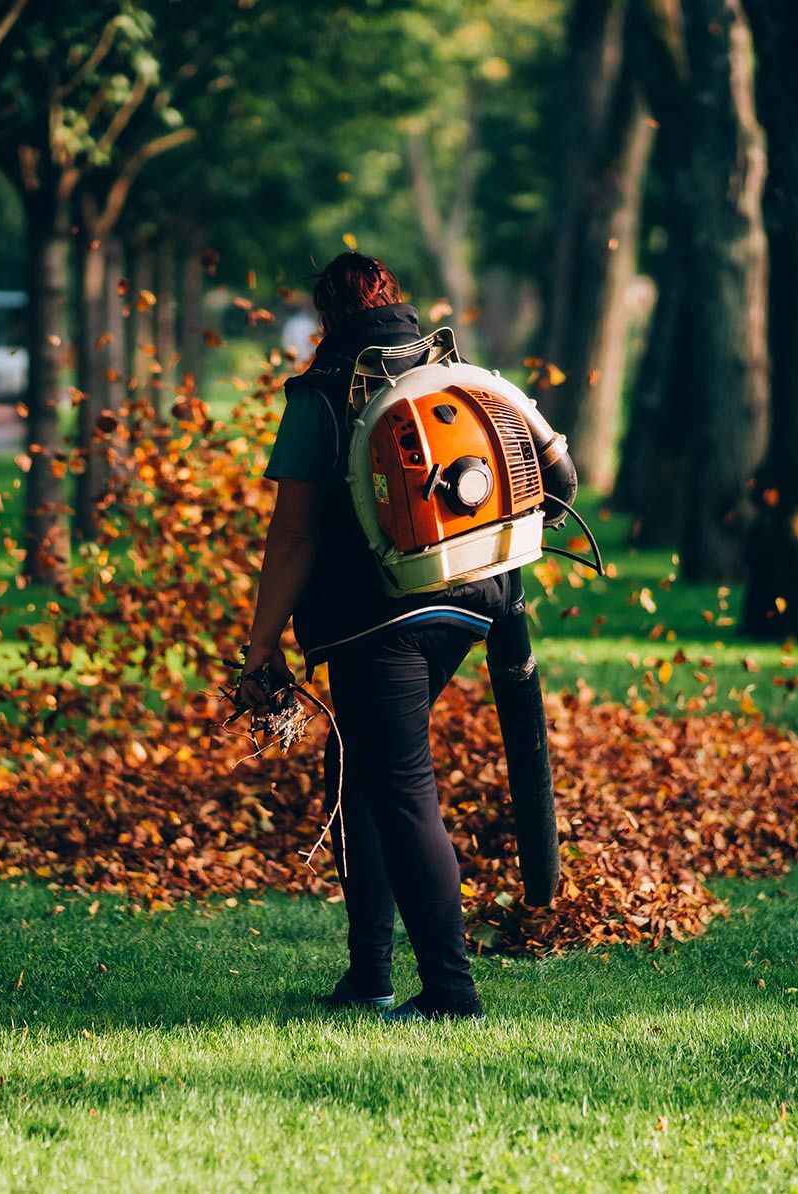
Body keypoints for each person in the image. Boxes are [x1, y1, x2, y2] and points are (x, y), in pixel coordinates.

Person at [240, 252, 514, 1022]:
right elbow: (554, 477)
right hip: (468, 606)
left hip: (379, 621)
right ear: (395, 300)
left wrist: (261, 649)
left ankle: (453, 995)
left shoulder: (323, 393)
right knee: (356, 766)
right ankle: (369, 977)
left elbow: (292, 538)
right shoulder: (453, 374)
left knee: (399, 789)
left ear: (327, 317)